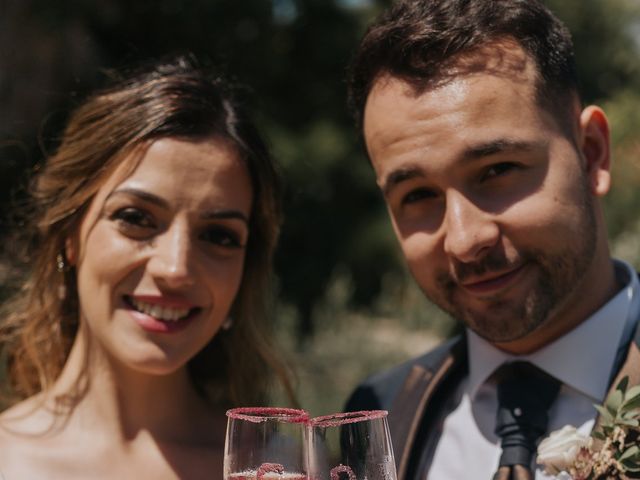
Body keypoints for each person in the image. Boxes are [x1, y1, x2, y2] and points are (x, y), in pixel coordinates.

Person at [344, 0, 640, 479]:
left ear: (592, 155)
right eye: (418, 195)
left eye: (497, 171)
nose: (464, 240)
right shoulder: (376, 418)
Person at [0, 55, 293, 478]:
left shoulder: (281, 469)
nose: (175, 269)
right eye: (136, 218)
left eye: (218, 236)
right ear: (70, 235)